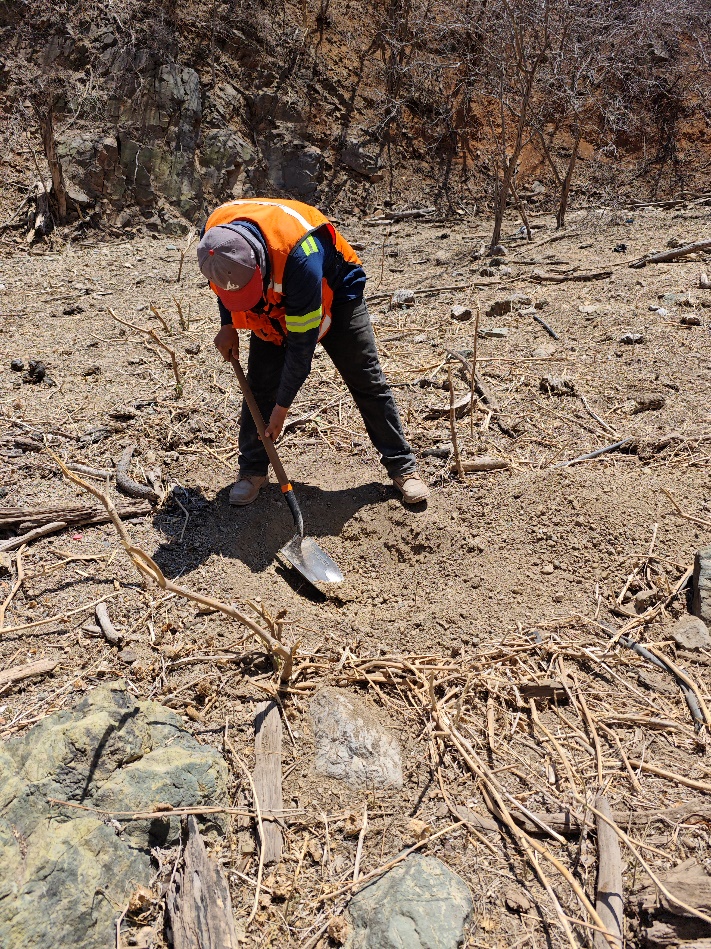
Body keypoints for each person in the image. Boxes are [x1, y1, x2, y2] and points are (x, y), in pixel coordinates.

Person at [196, 197, 429, 506]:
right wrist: (227, 324)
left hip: (334, 288)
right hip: (273, 298)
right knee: (260, 384)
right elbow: (223, 283)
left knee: (366, 379)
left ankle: (403, 466)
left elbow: (300, 346)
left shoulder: (300, 258)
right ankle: (252, 470)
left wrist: (282, 409)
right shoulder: (214, 239)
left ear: (259, 265)